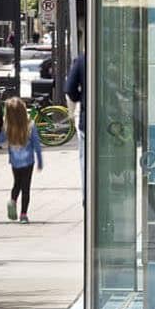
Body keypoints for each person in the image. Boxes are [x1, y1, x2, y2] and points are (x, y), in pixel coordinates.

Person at [2, 97, 44, 223]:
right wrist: (40, 161)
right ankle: (23, 214)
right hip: (28, 161)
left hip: (15, 162)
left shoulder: (7, 126)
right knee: (26, 188)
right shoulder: (30, 125)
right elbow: (37, 145)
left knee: (17, 183)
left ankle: (13, 200)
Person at [67, 45, 87, 200]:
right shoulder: (112, 58)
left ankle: (87, 196)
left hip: (87, 122)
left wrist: (81, 98)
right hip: (112, 123)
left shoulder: (81, 60)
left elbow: (70, 90)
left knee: (85, 161)